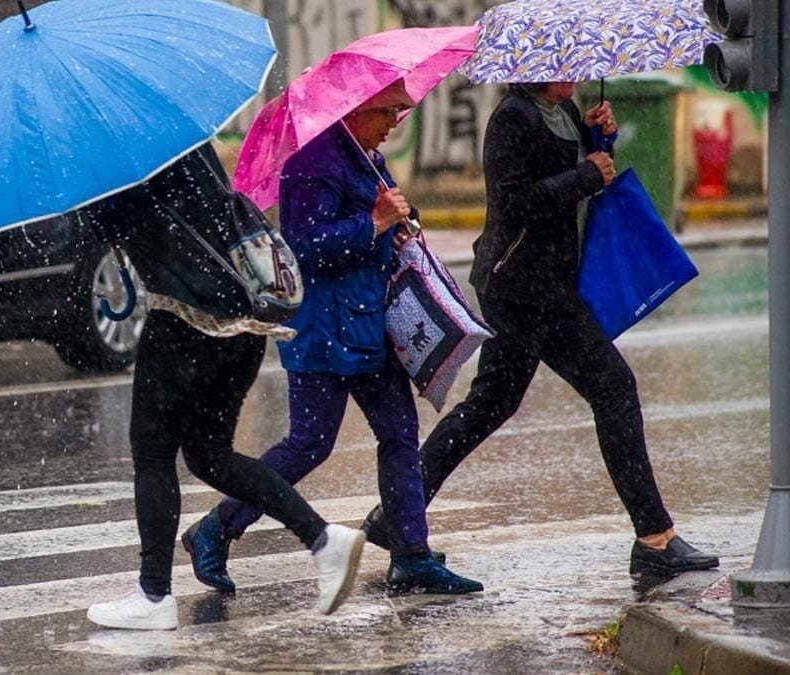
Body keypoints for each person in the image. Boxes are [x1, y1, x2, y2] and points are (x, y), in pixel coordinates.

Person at [360, 82, 719, 580]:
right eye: (559, 66)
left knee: (492, 402)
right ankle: (654, 538)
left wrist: (600, 141)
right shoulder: (512, 118)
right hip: (525, 286)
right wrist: (585, 174)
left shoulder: (564, 108)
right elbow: (518, 202)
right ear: (532, 70)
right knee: (613, 387)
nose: (570, 72)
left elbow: (586, 175)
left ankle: (395, 514)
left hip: (542, 281)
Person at [181, 82, 483, 597]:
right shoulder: (314, 162)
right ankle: (215, 529)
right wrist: (374, 222)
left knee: (399, 433)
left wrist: (400, 226)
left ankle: (411, 555)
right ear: (354, 108)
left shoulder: (365, 155)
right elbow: (305, 247)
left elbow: (380, 221)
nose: (393, 122)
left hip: (368, 324)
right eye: (387, 111)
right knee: (310, 444)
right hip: (323, 329)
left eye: (400, 113)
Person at [83, 144, 366, 631]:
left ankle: (153, 595)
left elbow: (106, 226)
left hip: (185, 323)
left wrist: (87, 201)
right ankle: (324, 539)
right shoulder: (183, 138)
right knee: (210, 455)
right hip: (241, 321)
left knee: (152, 455)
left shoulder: (114, 161)